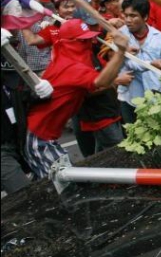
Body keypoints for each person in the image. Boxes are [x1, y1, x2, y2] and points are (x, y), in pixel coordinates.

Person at [23, 20, 129, 179]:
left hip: (43, 133)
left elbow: (58, 36)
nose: (89, 43)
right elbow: (102, 81)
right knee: (65, 187)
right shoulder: (70, 65)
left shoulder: (61, 48)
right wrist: (120, 51)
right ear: (69, 42)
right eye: (83, 40)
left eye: (89, 38)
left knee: (53, 185)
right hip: (40, 137)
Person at [117, 0, 161, 124]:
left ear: (145, 17)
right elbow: (129, 63)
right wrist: (151, 64)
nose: (128, 20)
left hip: (156, 99)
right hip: (129, 99)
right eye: (126, 16)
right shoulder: (119, 36)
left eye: (133, 16)